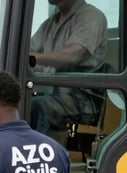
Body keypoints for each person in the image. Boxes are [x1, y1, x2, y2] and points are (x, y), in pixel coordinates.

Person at [29, 0, 107, 138]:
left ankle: (35, 156)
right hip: (53, 92)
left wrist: (33, 58)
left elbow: (73, 56)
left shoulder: (90, 16)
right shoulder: (52, 21)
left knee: (36, 106)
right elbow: (29, 48)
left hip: (80, 98)